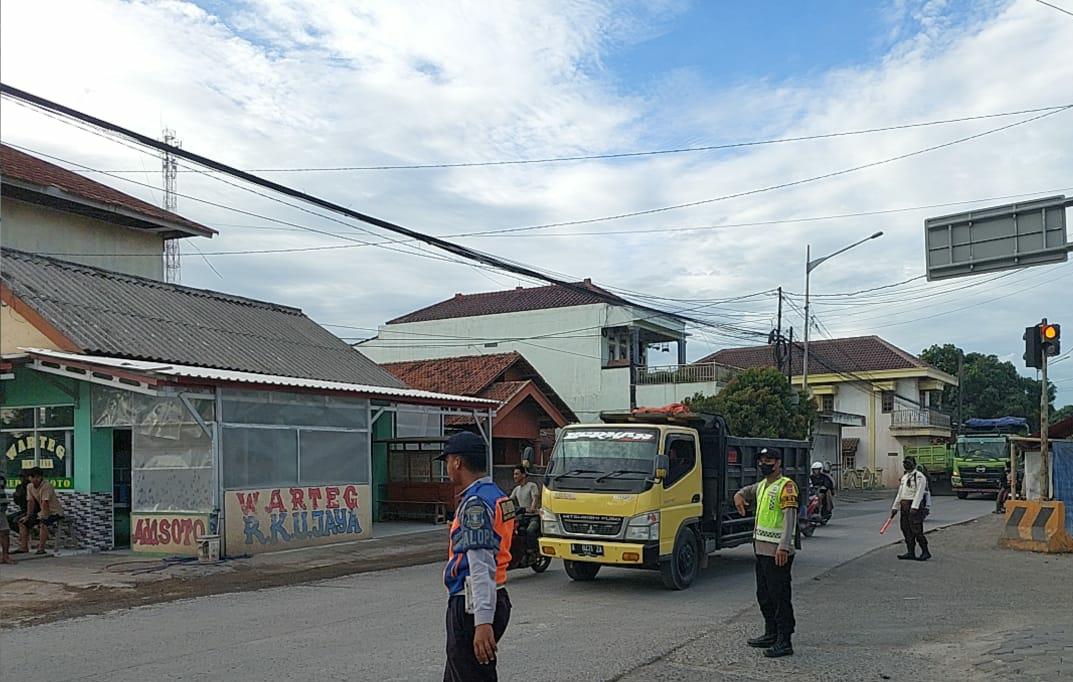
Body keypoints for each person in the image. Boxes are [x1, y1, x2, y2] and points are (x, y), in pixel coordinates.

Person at [437, 432, 515, 682]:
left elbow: (480, 565)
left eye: (447, 461)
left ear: (457, 462)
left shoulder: (476, 504)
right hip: (494, 595)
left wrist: (482, 621)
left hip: (472, 604)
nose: (447, 467)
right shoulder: (497, 495)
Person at [734, 447, 799, 658]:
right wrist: (738, 496)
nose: (764, 464)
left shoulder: (786, 486)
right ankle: (771, 633)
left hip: (778, 552)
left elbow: (790, 518)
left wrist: (784, 546)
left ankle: (784, 640)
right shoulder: (762, 485)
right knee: (764, 595)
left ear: (778, 463)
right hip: (761, 549)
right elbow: (746, 491)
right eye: (761, 460)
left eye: (768, 460)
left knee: (780, 596)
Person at [890, 456, 930, 561]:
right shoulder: (904, 477)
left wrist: (915, 506)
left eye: (908, 462)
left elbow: (919, 492)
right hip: (904, 506)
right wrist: (895, 507)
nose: (906, 464)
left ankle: (925, 551)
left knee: (916, 530)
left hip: (914, 507)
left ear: (914, 464)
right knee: (906, 529)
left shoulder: (919, 476)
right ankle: (910, 552)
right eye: (904, 463)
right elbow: (900, 493)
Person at [18, 467, 65, 555]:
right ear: (30, 478)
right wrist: (28, 515)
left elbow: (45, 502)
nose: (36, 479)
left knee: (43, 523)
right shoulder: (29, 486)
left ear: (40, 477)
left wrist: (43, 516)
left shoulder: (47, 485)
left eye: (38, 477)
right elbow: (30, 502)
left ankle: (41, 548)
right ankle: (24, 547)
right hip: (42, 511)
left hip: (55, 512)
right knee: (22, 522)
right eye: (33, 477)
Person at [509, 465, 540, 552]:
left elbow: (535, 498)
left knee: (530, 530)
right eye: (514, 474)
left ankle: (532, 550)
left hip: (533, 517)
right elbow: (509, 500)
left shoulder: (531, 486)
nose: (514, 476)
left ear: (523, 475)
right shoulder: (516, 489)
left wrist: (532, 507)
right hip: (522, 516)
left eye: (517, 474)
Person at [0, 475, 14, 564]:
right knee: (4, 532)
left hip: (1, 509)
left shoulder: (1, 478)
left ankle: (5, 556)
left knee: (5, 532)